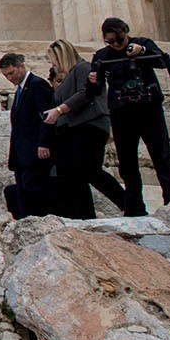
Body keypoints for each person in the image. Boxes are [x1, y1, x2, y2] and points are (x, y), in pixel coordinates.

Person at [92, 18, 170, 214]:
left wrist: (143, 52)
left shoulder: (143, 44)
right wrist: (92, 79)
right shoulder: (103, 56)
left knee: (161, 157)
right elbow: (95, 89)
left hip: (149, 110)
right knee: (127, 162)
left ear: (126, 32)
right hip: (122, 113)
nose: (115, 44)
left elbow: (164, 62)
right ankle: (135, 207)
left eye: (119, 39)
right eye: (110, 41)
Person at [41, 39, 124, 220]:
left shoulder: (84, 68)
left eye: (54, 59)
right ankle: (82, 215)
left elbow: (86, 93)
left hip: (89, 125)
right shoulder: (68, 76)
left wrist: (60, 110)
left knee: (90, 170)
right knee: (75, 174)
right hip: (73, 128)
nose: (53, 64)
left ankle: (126, 202)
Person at [0, 52, 56, 219]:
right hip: (22, 154)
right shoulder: (21, 90)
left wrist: (44, 143)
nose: (9, 78)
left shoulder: (38, 85)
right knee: (24, 192)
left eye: (11, 73)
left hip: (35, 152)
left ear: (21, 67)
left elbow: (47, 117)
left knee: (36, 192)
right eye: (6, 75)